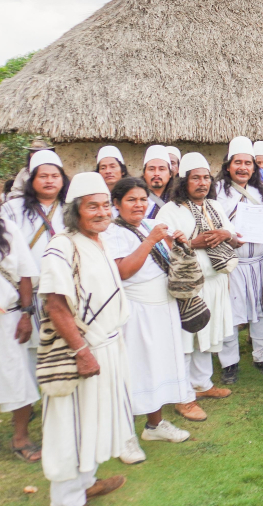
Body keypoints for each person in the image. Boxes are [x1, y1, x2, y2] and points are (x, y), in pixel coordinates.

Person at [39, 172, 133, 504]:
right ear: (75, 211)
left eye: (106, 205)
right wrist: (81, 351)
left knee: (95, 419)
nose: (103, 212)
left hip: (108, 345)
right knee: (71, 425)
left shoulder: (99, 241)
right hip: (81, 350)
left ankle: (87, 481)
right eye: (92, 207)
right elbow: (55, 304)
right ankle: (66, 496)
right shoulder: (61, 246)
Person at [103, 177, 193, 458]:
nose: (139, 205)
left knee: (157, 368)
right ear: (116, 204)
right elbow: (123, 271)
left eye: (143, 199)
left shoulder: (146, 225)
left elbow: (165, 265)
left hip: (161, 309)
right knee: (134, 371)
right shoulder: (112, 232)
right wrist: (152, 240)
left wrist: (176, 243)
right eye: (131, 199)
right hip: (136, 312)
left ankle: (155, 425)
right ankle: (124, 437)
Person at [155, 153, 236, 418]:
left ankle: (202, 384)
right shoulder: (170, 210)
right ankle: (183, 397)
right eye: (195, 178)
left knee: (208, 336)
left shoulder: (214, 206)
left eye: (205, 178)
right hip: (188, 286)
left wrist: (226, 234)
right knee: (187, 339)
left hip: (215, 281)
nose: (201, 183)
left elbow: (232, 237)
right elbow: (162, 248)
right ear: (184, 181)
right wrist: (194, 242)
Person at [215, 137, 263, 382]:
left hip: (259, 263)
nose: (243, 167)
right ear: (228, 165)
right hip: (232, 264)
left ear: (254, 167)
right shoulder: (218, 191)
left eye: (247, 163)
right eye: (238, 162)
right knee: (230, 314)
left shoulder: (262, 190)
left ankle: (262, 357)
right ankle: (229, 364)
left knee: (262, 312)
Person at [1, 149, 69, 364]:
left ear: (62, 179)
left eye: (54, 176)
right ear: (32, 180)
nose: (49, 181)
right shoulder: (12, 210)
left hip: (64, 292)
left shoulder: (72, 209)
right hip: (24, 294)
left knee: (62, 351)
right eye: (43, 176)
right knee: (26, 355)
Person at [0, 213, 41, 464]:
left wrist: (26, 314)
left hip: (8, 319)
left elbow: (25, 273)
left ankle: (21, 437)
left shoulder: (8, 228)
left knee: (16, 376)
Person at [141, 145, 173, 220]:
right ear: (144, 173)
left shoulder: (177, 199)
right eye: (151, 169)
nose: (156, 173)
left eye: (162, 169)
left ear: (170, 174)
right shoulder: (136, 199)